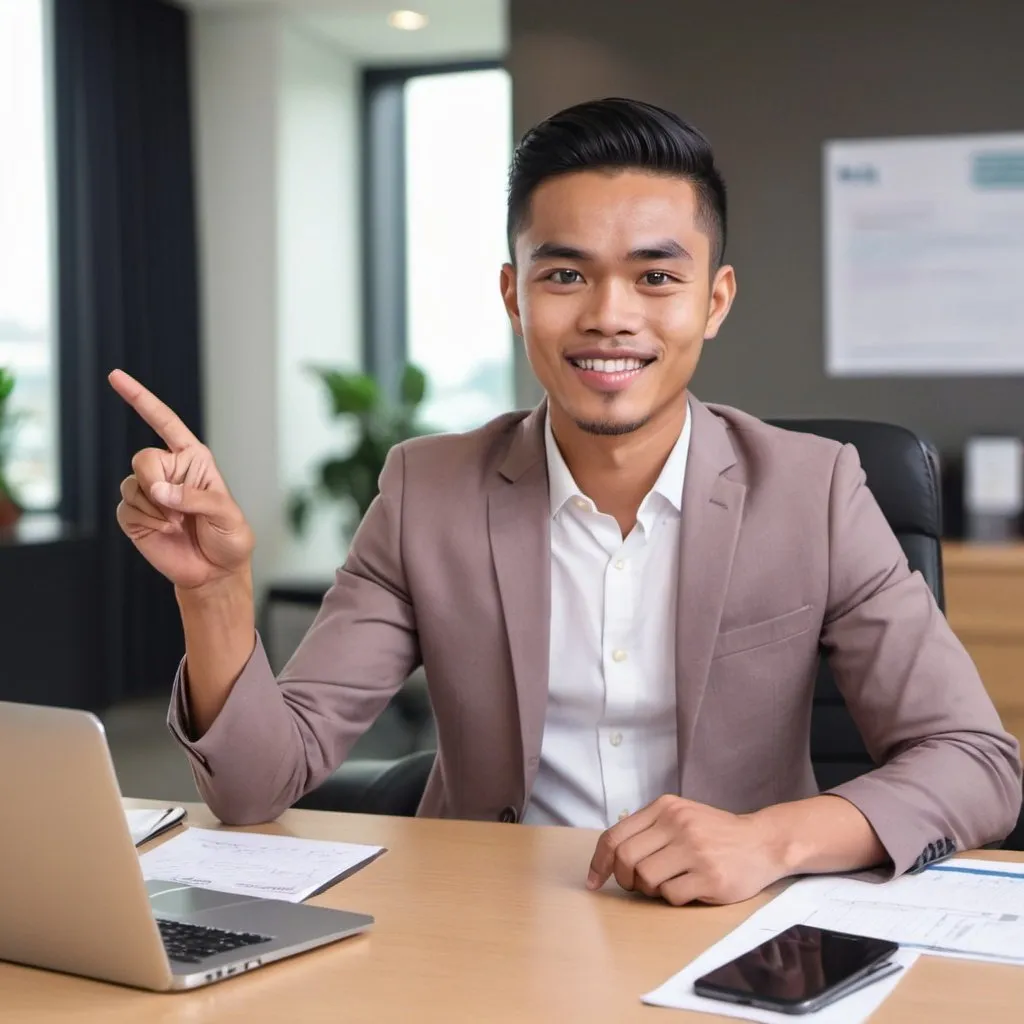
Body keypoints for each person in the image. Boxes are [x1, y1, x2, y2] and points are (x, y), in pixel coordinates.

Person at [110, 97, 1021, 908]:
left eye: (657, 277)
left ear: (714, 300)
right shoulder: (428, 490)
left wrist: (769, 838)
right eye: (565, 275)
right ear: (515, 295)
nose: (609, 316)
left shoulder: (815, 489)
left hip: (732, 922)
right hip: (485, 926)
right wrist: (216, 590)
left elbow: (976, 764)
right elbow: (260, 783)